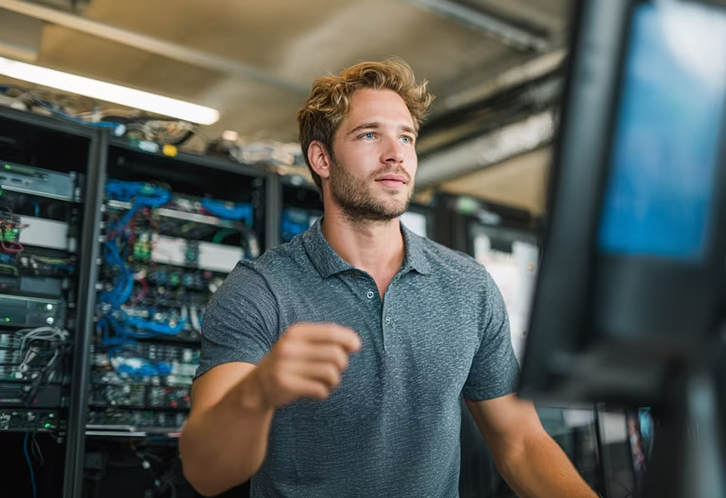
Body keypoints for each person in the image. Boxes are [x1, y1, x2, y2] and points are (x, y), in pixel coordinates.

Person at [179, 58, 599, 498]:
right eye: (369, 135)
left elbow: (522, 444)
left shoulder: (468, 287)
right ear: (321, 158)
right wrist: (257, 392)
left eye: (406, 137)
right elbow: (207, 472)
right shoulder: (259, 290)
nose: (395, 153)